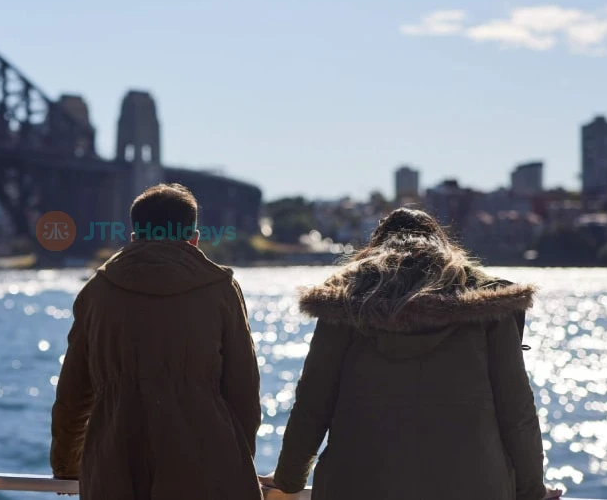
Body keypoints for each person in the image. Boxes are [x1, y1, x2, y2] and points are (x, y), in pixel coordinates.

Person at [260, 208, 562, 500]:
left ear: (375, 248)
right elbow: (517, 412)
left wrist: (288, 479)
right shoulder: (488, 304)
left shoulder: (344, 302)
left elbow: (312, 405)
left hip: (358, 484)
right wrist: (532, 491)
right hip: (473, 486)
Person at [50, 183, 263, 500]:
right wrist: (237, 463)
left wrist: (67, 466)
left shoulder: (97, 292)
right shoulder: (220, 290)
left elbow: (73, 395)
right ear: (193, 238)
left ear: (135, 237)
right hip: (206, 468)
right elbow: (244, 391)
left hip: (116, 468)